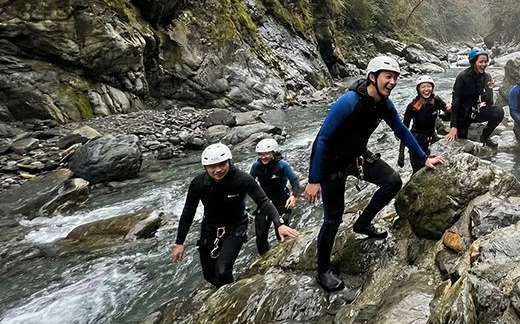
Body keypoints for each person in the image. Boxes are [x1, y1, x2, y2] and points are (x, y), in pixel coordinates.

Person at [304, 55, 445, 292]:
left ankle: (363, 223)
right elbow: (323, 138)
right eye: (388, 77)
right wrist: (313, 179)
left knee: (392, 181)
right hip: (332, 163)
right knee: (333, 218)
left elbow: (401, 129)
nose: (392, 82)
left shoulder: (384, 103)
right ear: (373, 77)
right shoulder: (349, 101)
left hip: (357, 156)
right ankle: (323, 269)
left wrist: (423, 157)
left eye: (395, 78)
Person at [172, 143, 299, 287]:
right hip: (210, 227)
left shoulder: (241, 179)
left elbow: (263, 201)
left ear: (229, 162)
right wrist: (179, 243)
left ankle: (229, 296)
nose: (218, 170)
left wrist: (279, 224)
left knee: (223, 270)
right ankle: (222, 290)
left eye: (222, 164)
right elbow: (189, 211)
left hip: (236, 226)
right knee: (208, 274)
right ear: (205, 167)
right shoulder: (199, 183)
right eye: (212, 166)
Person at [249, 138, 301, 255]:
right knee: (261, 233)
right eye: (261, 154)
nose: (263, 157)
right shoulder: (256, 166)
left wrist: (294, 196)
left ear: (274, 152)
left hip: (282, 200)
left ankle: (284, 255)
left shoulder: (282, 165)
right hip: (264, 201)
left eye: (267, 154)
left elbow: (295, 182)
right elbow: (248, 184)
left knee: (282, 231)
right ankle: (264, 259)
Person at [444, 47, 505, 147]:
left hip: (477, 111)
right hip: (463, 114)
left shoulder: (487, 77)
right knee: (461, 142)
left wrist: (490, 89)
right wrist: (453, 126)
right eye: (481, 62)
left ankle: (485, 137)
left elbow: (489, 103)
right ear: (473, 62)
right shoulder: (462, 77)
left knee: (498, 111)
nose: (484, 65)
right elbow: (456, 101)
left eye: (486, 62)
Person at [398, 75, 450, 172]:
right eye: (423, 87)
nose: (426, 89)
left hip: (432, 137)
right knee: (418, 170)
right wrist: (401, 153)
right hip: (417, 141)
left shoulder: (436, 100)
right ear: (418, 89)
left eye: (429, 86)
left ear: (432, 88)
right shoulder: (413, 106)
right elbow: (403, 130)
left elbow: (448, 113)